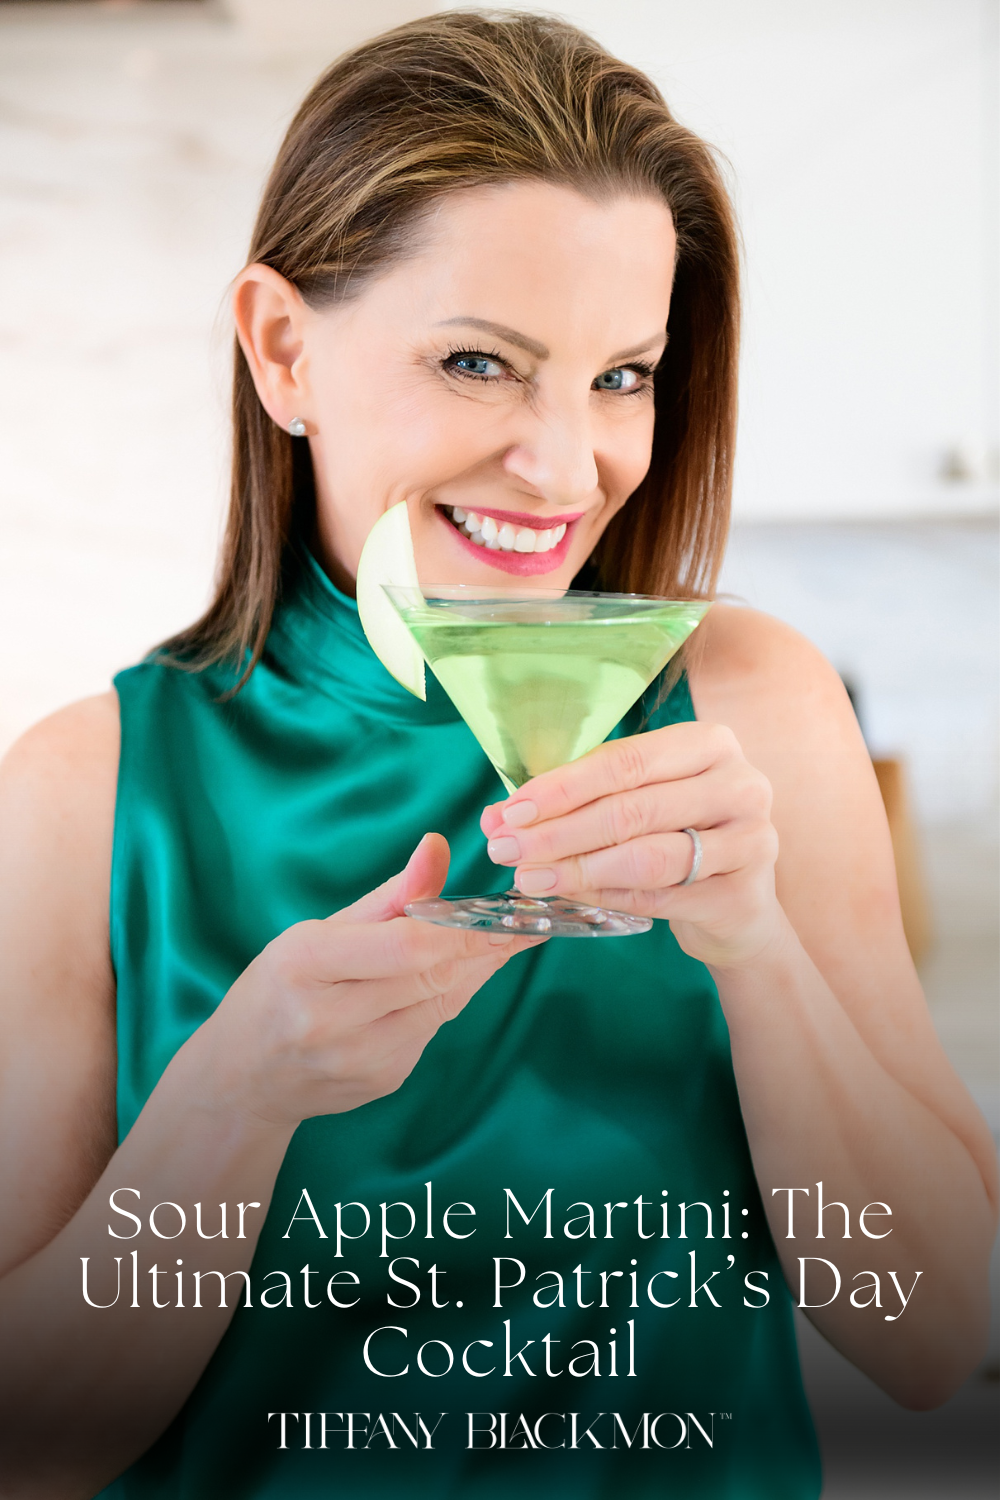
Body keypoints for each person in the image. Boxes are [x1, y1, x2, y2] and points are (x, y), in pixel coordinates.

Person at [0, 11, 994, 1499]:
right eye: (479, 362)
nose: (565, 462)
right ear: (283, 350)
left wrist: (757, 949)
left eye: (622, 375)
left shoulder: (751, 704)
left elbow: (932, 1341)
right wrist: (236, 1098)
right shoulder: (88, 795)